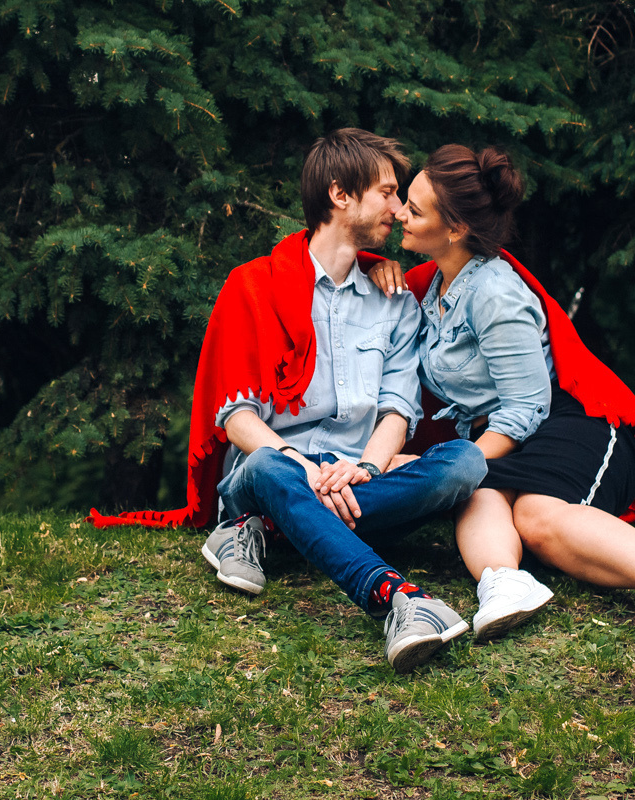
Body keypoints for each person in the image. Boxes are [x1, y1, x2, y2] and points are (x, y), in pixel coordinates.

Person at [90, 128, 488, 672]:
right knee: (270, 472)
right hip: (276, 466)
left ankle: (266, 529)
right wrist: (304, 466)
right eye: (388, 192)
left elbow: (398, 408)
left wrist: (366, 470)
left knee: (464, 461)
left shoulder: (394, 301)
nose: (399, 208)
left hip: (355, 477)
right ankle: (399, 600)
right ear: (340, 195)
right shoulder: (251, 287)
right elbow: (236, 417)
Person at [371, 144, 635, 646]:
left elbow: (525, 407)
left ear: (455, 229)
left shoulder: (493, 292)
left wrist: (446, 464)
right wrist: (376, 268)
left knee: (535, 515)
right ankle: (504, 584)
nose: (398, 213)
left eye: (413, 208)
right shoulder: (432, 289)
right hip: (510, 435)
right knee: (480, 495)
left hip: (571, 423)